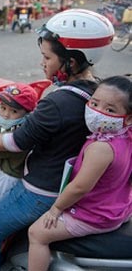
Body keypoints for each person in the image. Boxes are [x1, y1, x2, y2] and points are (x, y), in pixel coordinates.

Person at [0, 9, 114, 271]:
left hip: (40, 191)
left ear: (71, 62)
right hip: (64, 183)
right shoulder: (98, 91)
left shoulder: (58, 101)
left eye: (47, 57)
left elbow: (15, 143)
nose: (42, 63)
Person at [28, 75, 132, 271]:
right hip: (119, 208)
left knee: (36, 234)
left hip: (95, 215)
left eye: (110, 109)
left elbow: (79, 187)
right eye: (94, 103)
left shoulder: (101, 147)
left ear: (128, 117)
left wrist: (56, 209)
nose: (98, 112)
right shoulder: (126, 136)